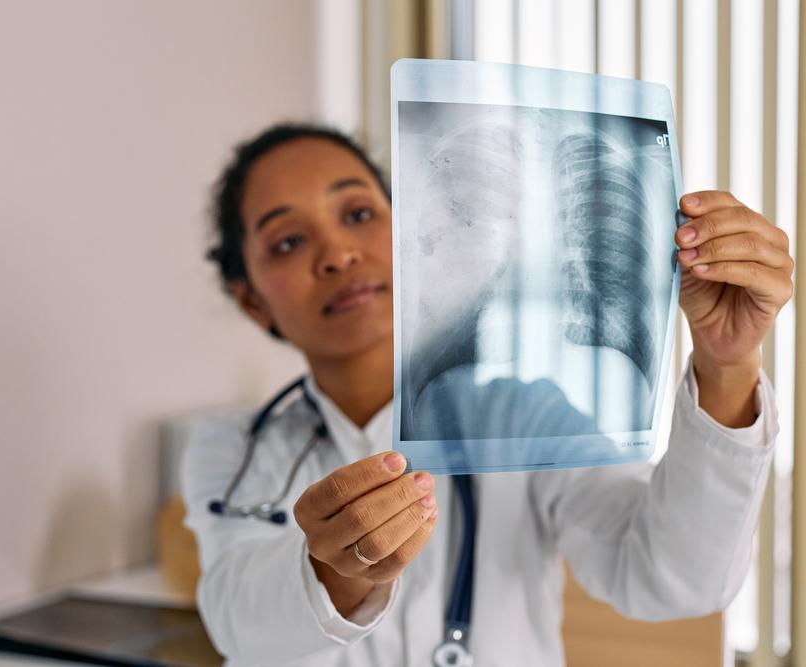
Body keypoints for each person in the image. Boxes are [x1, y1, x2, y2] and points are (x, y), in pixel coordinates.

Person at [181, 123, 792, 666]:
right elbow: (236, 623)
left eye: (359, 214)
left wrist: (727, 366)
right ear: (252, 300)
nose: (338, 254)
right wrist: (330, 571)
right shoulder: (232, 450)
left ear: (410, 228)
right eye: (288, 241)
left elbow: (672, 578)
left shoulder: (526, 419)